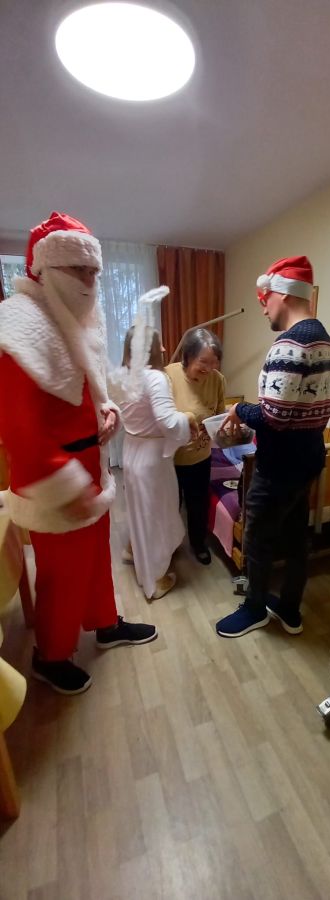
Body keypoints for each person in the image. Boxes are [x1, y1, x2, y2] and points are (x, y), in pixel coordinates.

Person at [0, 212, 157, 695]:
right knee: (60, 576)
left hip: (91, 467)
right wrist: (66, 488)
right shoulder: (18, 327)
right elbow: (20, 428)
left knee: (94, 562)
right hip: (54, 480)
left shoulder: (75, 318)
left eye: (93, 271)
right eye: (78, 270)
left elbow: (90, 387)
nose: (89, 281)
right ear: (46, 270)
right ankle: (50, 656)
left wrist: (107, 413)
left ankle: (105, 624)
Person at [216, 256, 330, 638]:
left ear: (282, 295)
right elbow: (322, 406)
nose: (263, 308)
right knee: (297, 536)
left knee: (257, 538)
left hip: (279, 465)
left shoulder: (289, 343)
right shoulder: (324, 340)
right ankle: (289, 609)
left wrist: (239, 409)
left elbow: (274, 416)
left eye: (264, 299)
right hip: (309, 458)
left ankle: (254, 609)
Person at [108, 294, 198, 600]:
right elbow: (169, 423)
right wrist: (188, 417)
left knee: (140, 509)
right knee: (156, 512)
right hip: (152, 458)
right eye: (159, 344)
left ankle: (134, 550)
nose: (163, 348)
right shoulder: (155, 378)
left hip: (133, 451)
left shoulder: (121, 376)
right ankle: (156, 578)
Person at [166, 328, 226, 565]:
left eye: (214, 362)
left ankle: (198, 543)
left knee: (198, 504)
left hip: (200, 456)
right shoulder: (168, 376)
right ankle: (169, 546)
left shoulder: (218, 380)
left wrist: (224, 428)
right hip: (170, 458)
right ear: (188, 356)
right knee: (171, 505)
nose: (209, 368)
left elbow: (219, 415)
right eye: (203, 362)